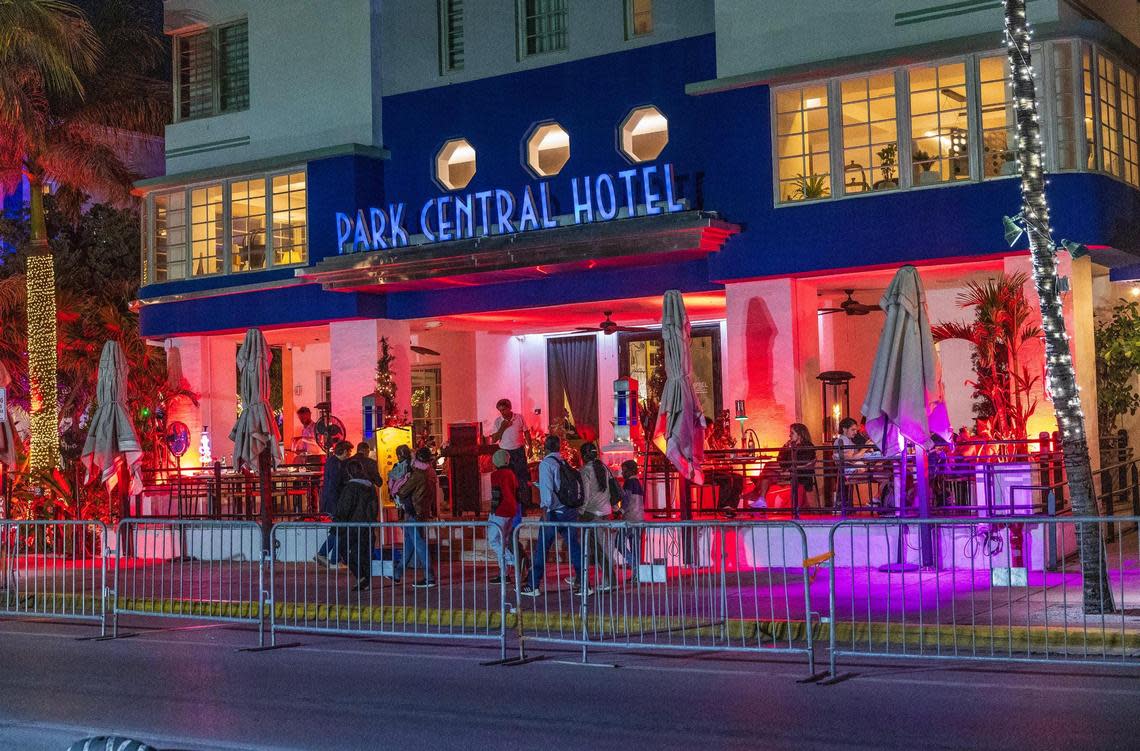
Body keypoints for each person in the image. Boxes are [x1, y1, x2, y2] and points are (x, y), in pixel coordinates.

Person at [520, 435, 586, 598]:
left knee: (541, 549)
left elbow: (548, 494)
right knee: (574, 547)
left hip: (553, 512)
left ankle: (533, 584)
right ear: (559, 447)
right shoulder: (563, 462)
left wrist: (545, 511)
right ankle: (584, 583)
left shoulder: (546, 464)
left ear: (545, 447)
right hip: (568, 510)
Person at [391, 447, 438, 588]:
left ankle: (429, 577)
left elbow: (403, 491)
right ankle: (397, 573)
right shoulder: (430, 472)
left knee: (418, 543)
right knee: (410, 543)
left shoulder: (418, 474)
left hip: (413, 512)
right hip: (422, 511)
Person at [747, 423, 817, 509]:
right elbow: (780, 459)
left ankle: (756, 491)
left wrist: (788, 465)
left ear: (800, 434)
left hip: (798, 473)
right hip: (786, 470)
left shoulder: (807, 446)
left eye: (792, 433)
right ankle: (761, 499)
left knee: (768, 466)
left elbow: (801, 462)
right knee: (767, 474)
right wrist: (785, 448)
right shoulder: (792, 445)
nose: (789, 435)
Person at [334, 458, 379, 591]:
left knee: (345, 551)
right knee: (364, 554)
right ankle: (364, 580)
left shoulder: (350, 488)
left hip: (352, 526)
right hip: (367, 525)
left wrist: (337, 524)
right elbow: (374, 507)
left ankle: (361, 576)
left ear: (349, 473)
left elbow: (344, 508)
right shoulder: (370, 487)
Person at [577, 442, 616, 592]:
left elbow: (585, 495)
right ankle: (609, 580)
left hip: (592, 513)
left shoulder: (585, 471)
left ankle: (608, 581)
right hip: (606, 511)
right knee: (604, 548)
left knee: (597, 548)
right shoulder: (604, 468)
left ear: (583, 456)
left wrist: (580, 511)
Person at [315, 440, 353, 568]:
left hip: (332, 502)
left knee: (337, 530)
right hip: (335, 503)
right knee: (339, 530)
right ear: (344, 451)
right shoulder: (335, 465)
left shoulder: (333, 462)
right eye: (349, 452)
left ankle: (326, 555)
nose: (349, 455)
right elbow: (335, 486)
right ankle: (333, 558)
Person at [489, 398, 531, 513]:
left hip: (519, 451)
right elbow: (494, 439)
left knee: (521, 478)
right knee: (507, 480)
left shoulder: (519, 418)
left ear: (509, 408)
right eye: (500, 410)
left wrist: (530, 447)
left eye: (504, 409)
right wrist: (502, 427)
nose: (502, 412)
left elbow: (526, 432)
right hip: (505, 453)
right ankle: (509, 504)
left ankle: (523, 507)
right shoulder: (498, 421)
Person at [487, 449, 520, 584]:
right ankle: (504, 574)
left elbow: (496, 494)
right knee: (503, 541)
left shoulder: (495, 475)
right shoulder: (511, 474)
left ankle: (512, 559)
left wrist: (492, 511)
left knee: (493, 540)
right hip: (512, 509)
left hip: (500, 511)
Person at [617, 459, 644, 575]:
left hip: (629, 518)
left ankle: (634, 565)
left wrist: (620, 511)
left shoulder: (628, 482)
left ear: (631, 471)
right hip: (639, 518)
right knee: (635, 547)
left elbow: (626, 500)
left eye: (624, 470)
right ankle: (636, 574)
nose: (622, 473)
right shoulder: (638, 482)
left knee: (618, 542)